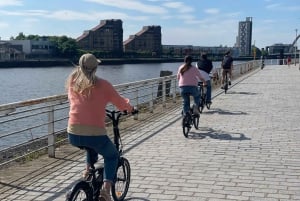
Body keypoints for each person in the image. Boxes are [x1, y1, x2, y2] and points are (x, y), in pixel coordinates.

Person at [65, 53, 134, 201]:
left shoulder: (72, 81)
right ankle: (106, 190)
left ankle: (88, 171)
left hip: (73, 133)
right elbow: (120, 103)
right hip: (95, 133)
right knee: (112, 155)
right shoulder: (103, 84)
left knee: (88, 145)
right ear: (96, 67)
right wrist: (130, 108)